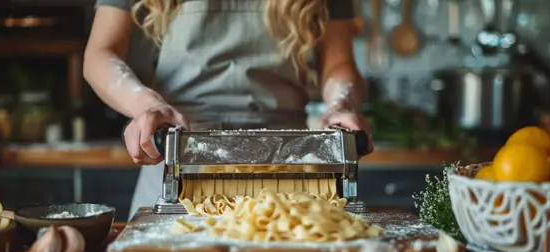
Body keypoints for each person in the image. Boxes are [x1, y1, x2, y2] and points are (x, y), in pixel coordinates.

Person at [83, 0, 374, 220]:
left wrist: (341, 103)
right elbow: (99, 54)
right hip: (178, 155)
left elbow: (338, 63)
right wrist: (147, 105)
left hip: (287, 164)